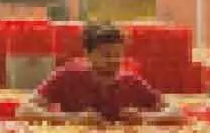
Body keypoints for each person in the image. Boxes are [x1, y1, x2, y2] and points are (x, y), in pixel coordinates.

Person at [17, 23, 182, 125]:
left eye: (118, 54)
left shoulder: (131, 83)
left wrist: (145, 118)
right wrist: (71, 119)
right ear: (88, 55)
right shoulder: (66, 77)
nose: (114, 60)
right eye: (106, 55)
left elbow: (176, 111)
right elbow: (24, 110)